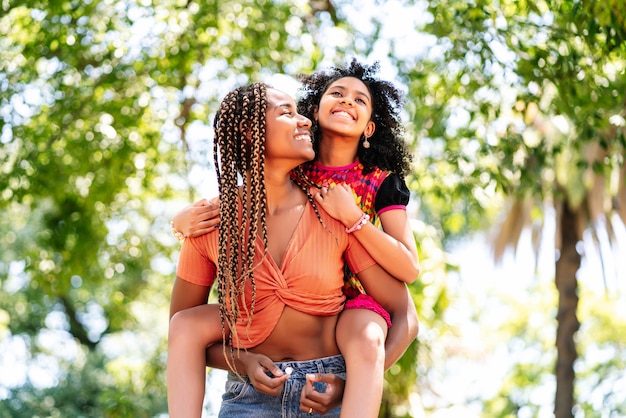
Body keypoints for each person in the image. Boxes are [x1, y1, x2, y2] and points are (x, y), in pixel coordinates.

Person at [168, 82, 417, 417]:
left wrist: (349, 381)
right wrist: (241, 359)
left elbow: (403, 310)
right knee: (186, 324)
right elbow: (181, 331)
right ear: (249, 133)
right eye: (288, 113)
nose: (305, 122)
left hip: (328, 392)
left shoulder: (332, 209)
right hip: (248, 398)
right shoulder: (209, 223)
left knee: (367, 331)